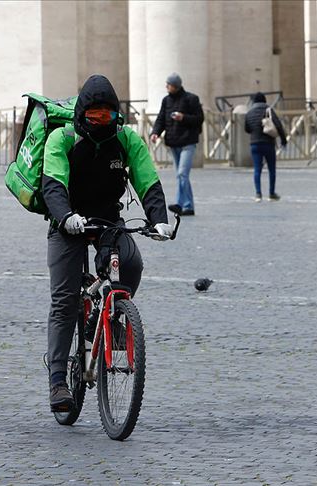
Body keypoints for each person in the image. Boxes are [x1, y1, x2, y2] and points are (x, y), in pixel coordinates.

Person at [42, 74, 175, 412]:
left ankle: (110, 318)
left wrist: (159, 218)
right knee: (64, 300)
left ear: (117, 115)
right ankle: (58, 380)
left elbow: (147, 179)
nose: (101, 122)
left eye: (108, 116)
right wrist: (66, 216)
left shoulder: (126, 138)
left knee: (132, 264)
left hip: (107, 219)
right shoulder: (62, 138)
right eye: (94, 116)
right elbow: (53, 184)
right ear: (82, 114)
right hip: (67, 220)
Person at [150, 73, 204, 216]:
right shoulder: (166, 100)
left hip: (188, 142)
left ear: (175, 85)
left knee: (182, 174)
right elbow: (161, 118)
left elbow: (199, 119)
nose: (166, 86)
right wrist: (155, 132)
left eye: (169, 84)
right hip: (173, 143)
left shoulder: (191, 99)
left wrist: (183, 117)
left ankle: (180, 204)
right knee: (181, 176)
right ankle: (189, 206)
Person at [244, 92, 287, 201]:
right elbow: (278, 125)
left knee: (257, 169)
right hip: (268, 143)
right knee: (271, 169)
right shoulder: (268, 110)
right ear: (264, 100)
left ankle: (258, 194)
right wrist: (283, 140)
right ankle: (271, 193)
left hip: (255, 144)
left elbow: (247, 128)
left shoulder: (249, 113)